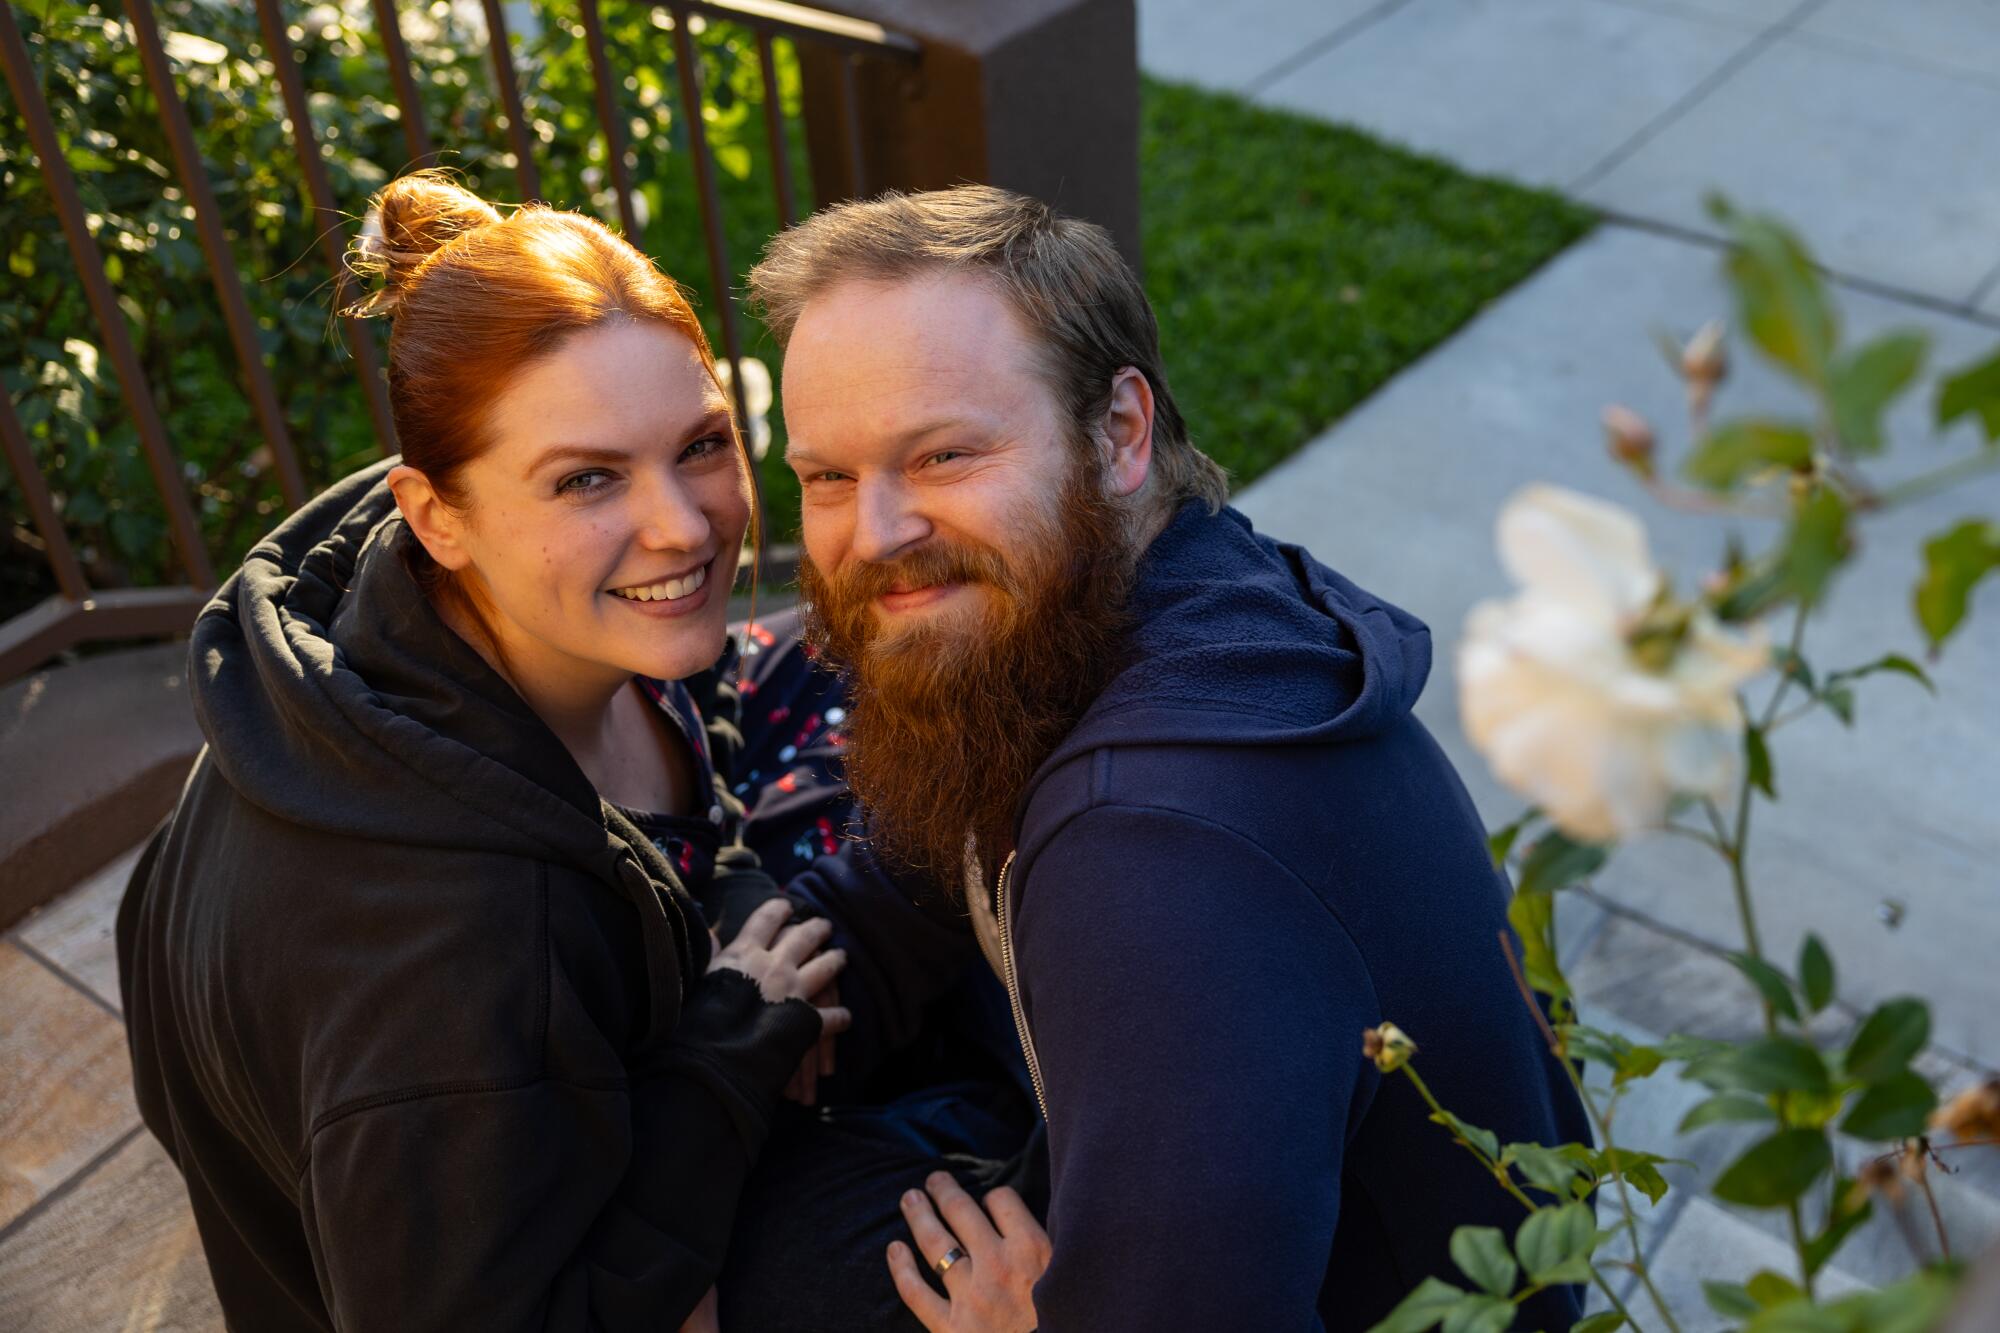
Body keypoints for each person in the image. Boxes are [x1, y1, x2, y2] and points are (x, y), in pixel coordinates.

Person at [742, 185, 1596, 1332]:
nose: (875, 530)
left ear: (1120, 431)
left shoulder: (1152, 856)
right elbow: (927, 857)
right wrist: (764, 1009)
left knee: (723, 1264)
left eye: (943, 454)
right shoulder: (1156, 597)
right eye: (828, 476)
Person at [116, 172, 868, 1331]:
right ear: (432, 512)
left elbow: (691, 730)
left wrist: (729, 899)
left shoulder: (478, 603)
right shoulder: (453, 970)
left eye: (701, 444)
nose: (685, 525)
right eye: (587, 479)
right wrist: (725, 1056)